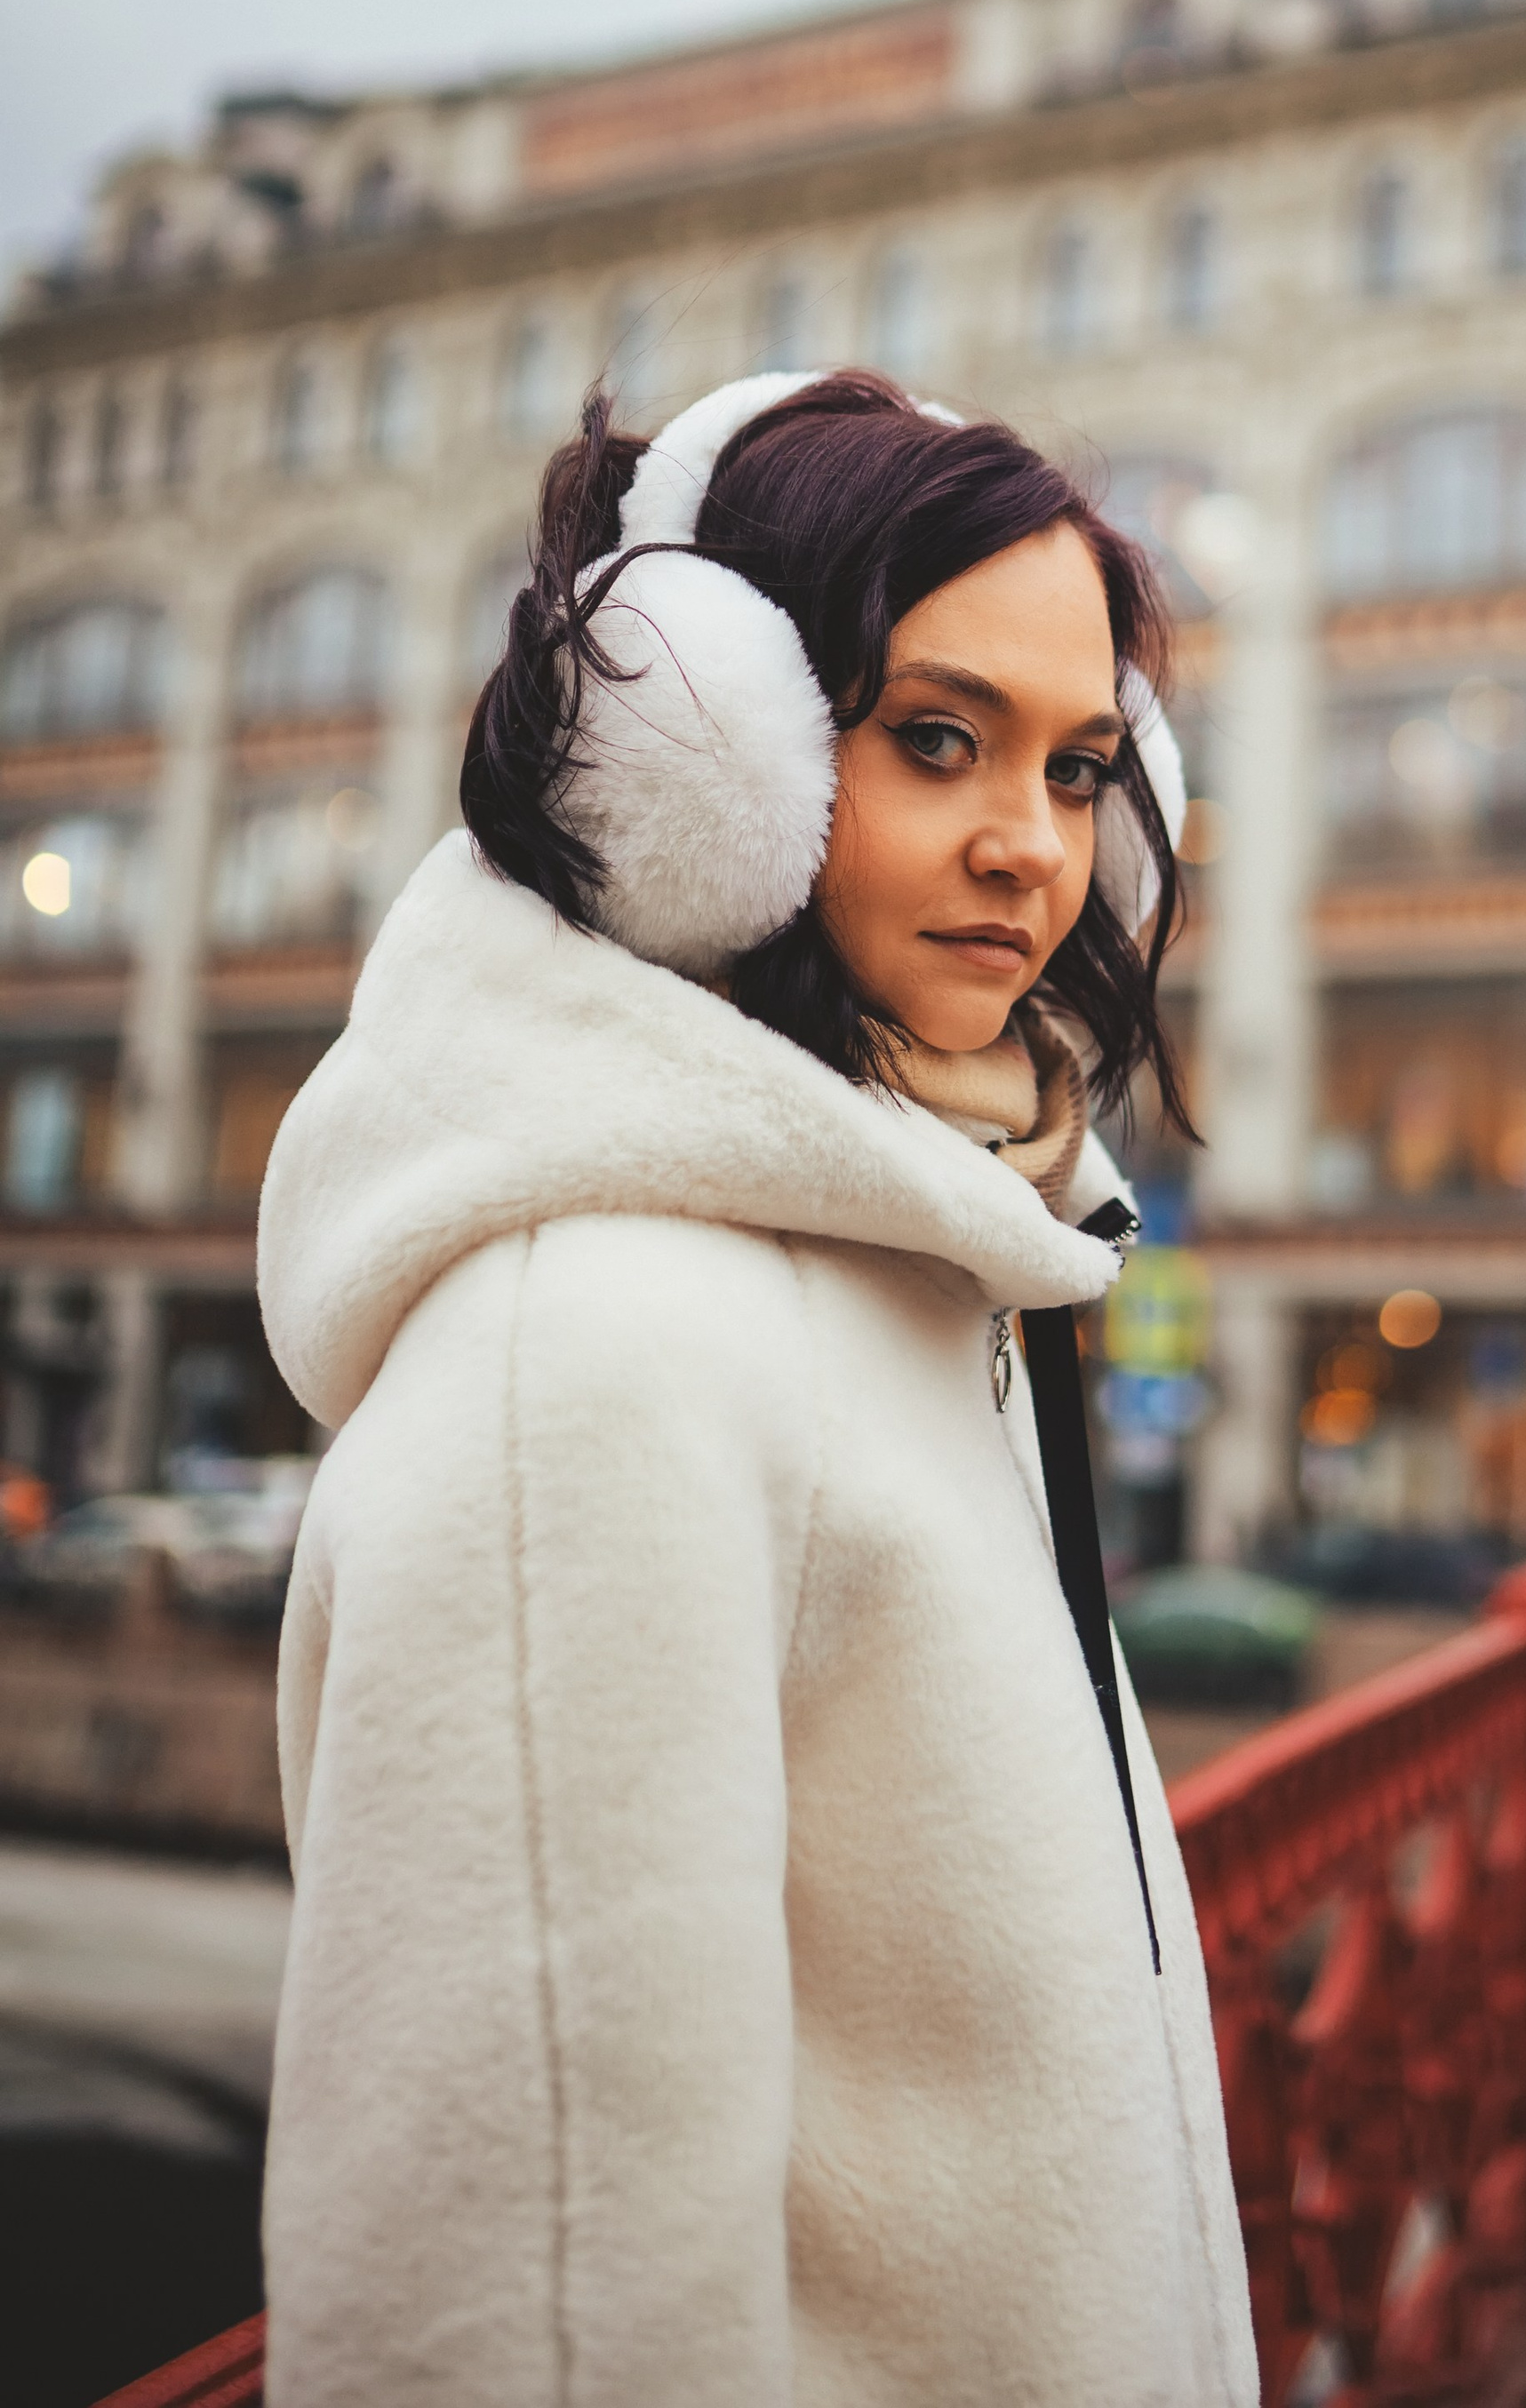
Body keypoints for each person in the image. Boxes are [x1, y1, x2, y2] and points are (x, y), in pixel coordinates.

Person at [256, 370, 1258, 2408]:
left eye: (1077, 768)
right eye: (937, 737)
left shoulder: (924, 1257)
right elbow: (513, 2322)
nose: (1027, 849)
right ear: (702, 756)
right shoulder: (601, 1354)